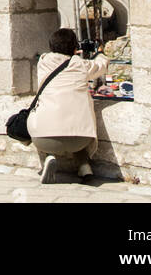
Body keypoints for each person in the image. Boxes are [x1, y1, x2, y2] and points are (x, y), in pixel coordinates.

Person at [27, 27, 108, 184]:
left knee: (39, 115)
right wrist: (99, 52)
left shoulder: (43, 62)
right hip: (80, 139)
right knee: (75, 120)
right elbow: (101, 66)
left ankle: (48, 157)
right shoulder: (81, 65)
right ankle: (85, 167)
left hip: (44, 138)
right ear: (74, 48)